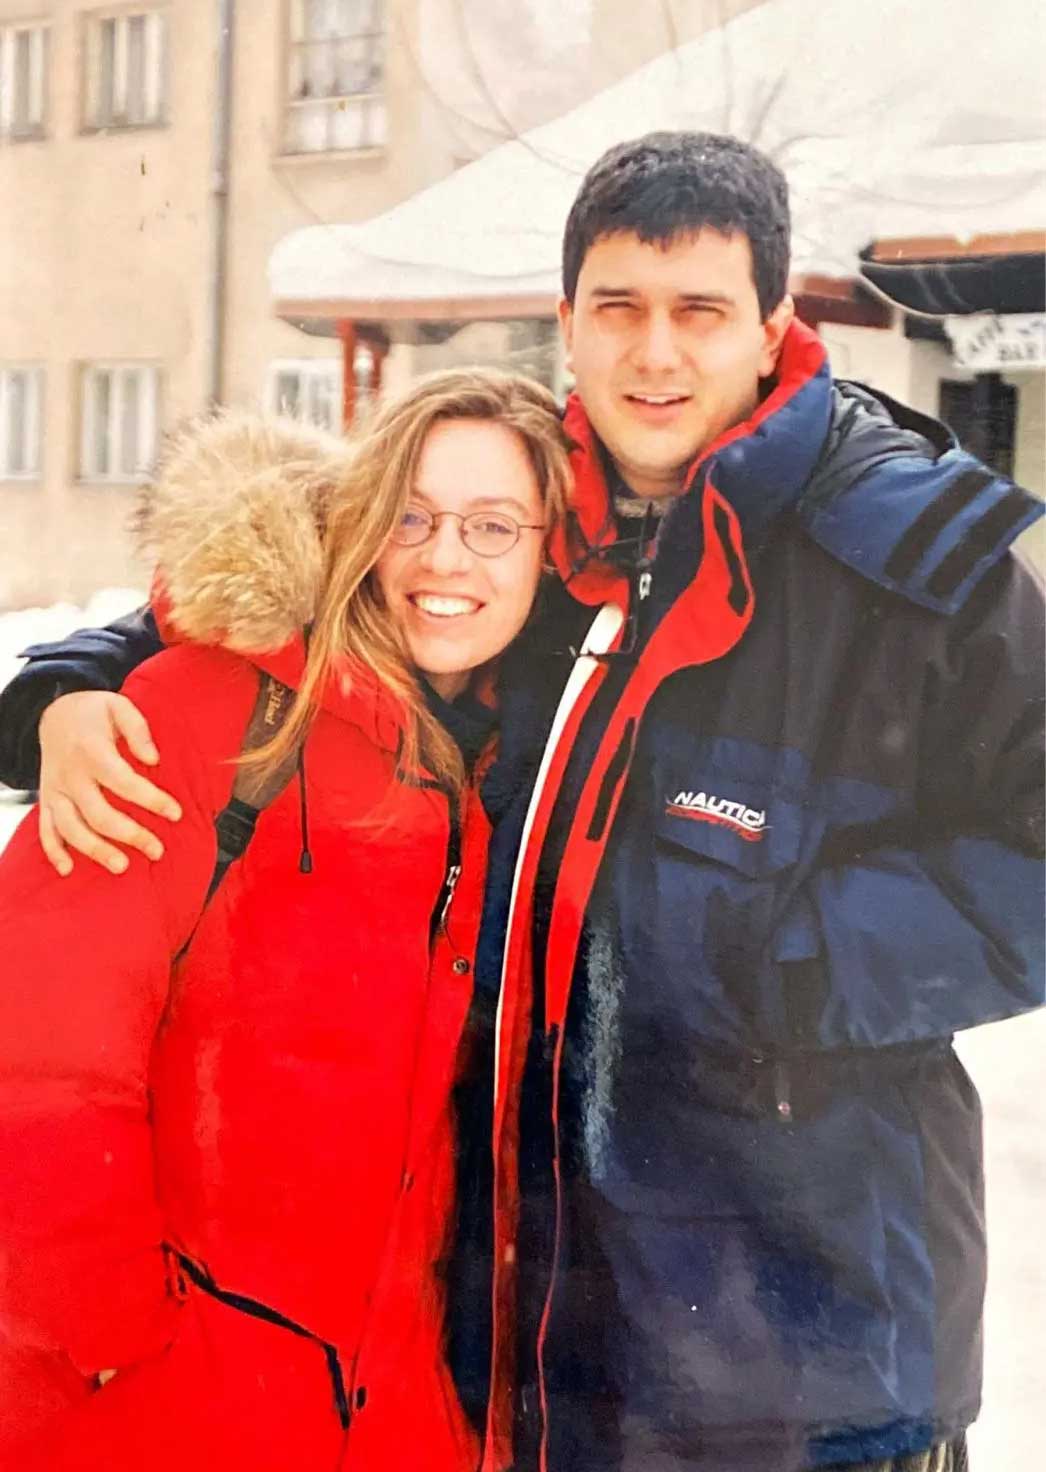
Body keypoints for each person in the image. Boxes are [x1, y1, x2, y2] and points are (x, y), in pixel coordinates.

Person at [1, 132, 1043, 1472]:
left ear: (775, 323)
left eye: (699, 312)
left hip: (810, 1375)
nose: (654, 357)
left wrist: (795, 956)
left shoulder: (898, 557)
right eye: (618, 309)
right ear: (566, 323)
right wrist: (75, 682)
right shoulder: (542, 528)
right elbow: (287, 589)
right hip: (552, 1362)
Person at [0, 369, 572, 1471]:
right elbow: (39, 1058)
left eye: (493, 524)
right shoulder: (204, 713)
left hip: (391, 1407)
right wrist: (112, 1332)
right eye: (410, 516)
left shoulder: (522, 766)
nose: (445, 558)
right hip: (156, 1401)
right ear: (355, 522)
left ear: (548, 552)